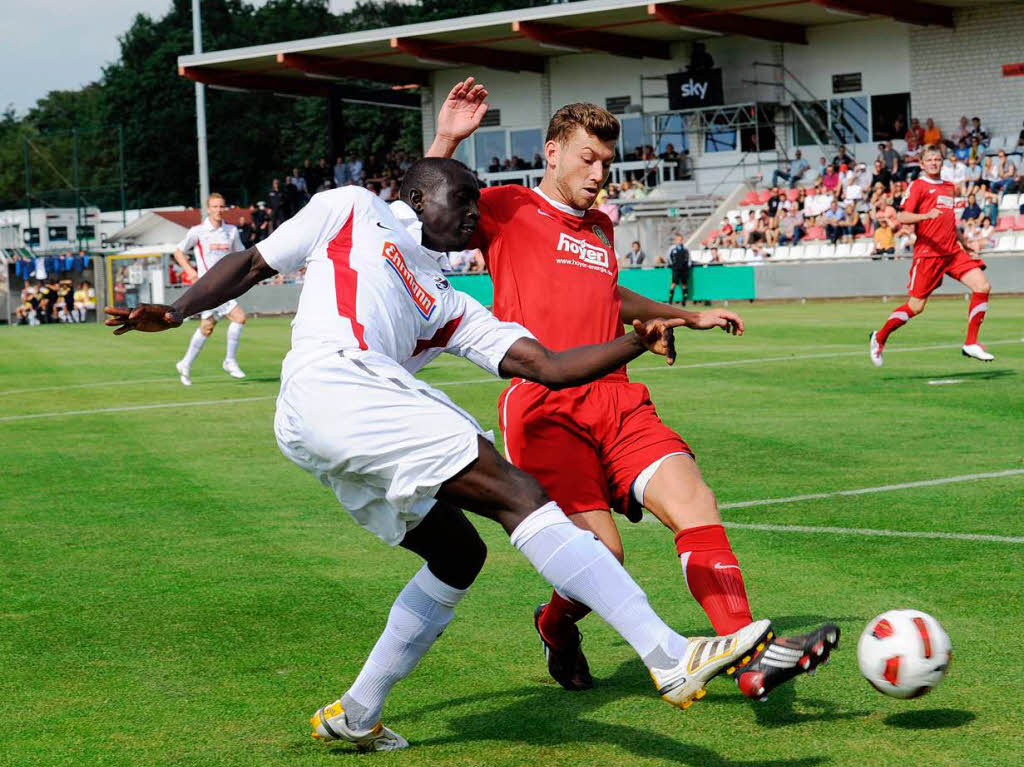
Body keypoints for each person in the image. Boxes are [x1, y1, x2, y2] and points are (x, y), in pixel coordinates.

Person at [105, 160, 775, 752]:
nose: (475, 214)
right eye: (466, 199)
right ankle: (666, 653)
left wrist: (635, 341)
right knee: (520, 494)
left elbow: (544, 364)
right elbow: (255, 263)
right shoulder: (354, 208)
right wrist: (178, 309)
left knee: (459, 554)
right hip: (333, 378)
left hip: (332, 420)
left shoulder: (448, 300)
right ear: (422, 198)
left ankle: (358, 713)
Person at [427, 77, 838, 701]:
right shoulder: (507, 208)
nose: (598, 174)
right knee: (604, 558)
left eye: (606, 163)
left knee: (694, 500)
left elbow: (607, 296)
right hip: (544, 406)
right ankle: (555, 624)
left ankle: (749, 659)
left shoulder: (600, 228)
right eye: (587, 159)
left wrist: (681, 317)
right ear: (552, 152)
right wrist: (448, 138)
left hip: (617, 397)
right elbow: (427, 208)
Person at [869, 145, 994, 366]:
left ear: (942, 161)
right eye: (930, 160)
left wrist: (964, 243)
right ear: (922, 163)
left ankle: (971, 343)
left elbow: (949, 221)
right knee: (916, 307)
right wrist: (926, 215)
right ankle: (879, 337)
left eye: (938, 159)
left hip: (952, 251)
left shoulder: (948, 187)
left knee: (982, 287)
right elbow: (903, 216)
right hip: (929, 255)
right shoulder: (918, 186)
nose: (934, 162)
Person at [170, 192, 248, 385]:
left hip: (225, 286)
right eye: (215, 207)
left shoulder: (231, 231)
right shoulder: (198, 231)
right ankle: (229, 360)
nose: (219, 210)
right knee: (239, 317)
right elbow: (178, 252)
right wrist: (190, 271)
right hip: (209, 287)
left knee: (207, 327)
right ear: (208, 209)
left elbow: (242, 254)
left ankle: (185, 363)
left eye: (222, 206)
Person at [666, 234, 690, 305]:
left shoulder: (685, 248)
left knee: (684, 284)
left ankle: (684, 301)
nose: (680, 241)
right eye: (678, 240)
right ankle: (670, 300)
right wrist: (672, 264)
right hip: (676, 269)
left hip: (684, 269)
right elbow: (668, 257)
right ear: (676, 240)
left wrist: (688, 266)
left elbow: (689, 258)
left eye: (681, 240)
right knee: (673, 283)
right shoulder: (672, 248)